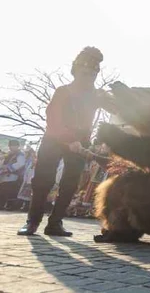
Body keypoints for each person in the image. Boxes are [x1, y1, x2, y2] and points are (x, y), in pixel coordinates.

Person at [18, 46, 107, 236]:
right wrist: (70, 139)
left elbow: (117, 107)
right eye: (85, 70)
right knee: (43, 180)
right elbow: (53, 119)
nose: (90, 75)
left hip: (80, 143)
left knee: (70, 183)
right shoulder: (63, 91)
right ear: (76, 71)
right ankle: (32, 222)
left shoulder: (97, 95)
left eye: (93, 71)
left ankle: (55, 223)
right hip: (54, 139)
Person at [0, 140, 27, 210]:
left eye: (12, 146)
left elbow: (21, 163)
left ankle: (9, 206)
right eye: (10, 146)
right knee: (3, 190)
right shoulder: (9, 153)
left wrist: (8, 168)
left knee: (9, 191)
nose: (10, 147)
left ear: (17, 146)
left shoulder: (20, 154)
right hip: (4, 175)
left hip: (13, 176)